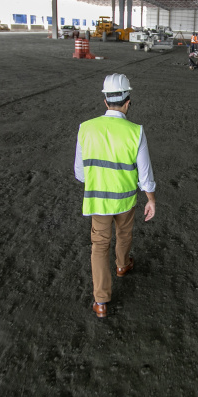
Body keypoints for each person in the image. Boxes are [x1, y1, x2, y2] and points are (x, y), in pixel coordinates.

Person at [74, 74, 156, 318]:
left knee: (99, 246)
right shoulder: (136, 132)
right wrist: (151, 200)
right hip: (125, 200)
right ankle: (122, 265)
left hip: (98, 201)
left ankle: (100, 302)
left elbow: (80, 173)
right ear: (128, 102)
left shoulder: (85, 128)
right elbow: (145, 176)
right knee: (124, 233)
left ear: (105, 101)